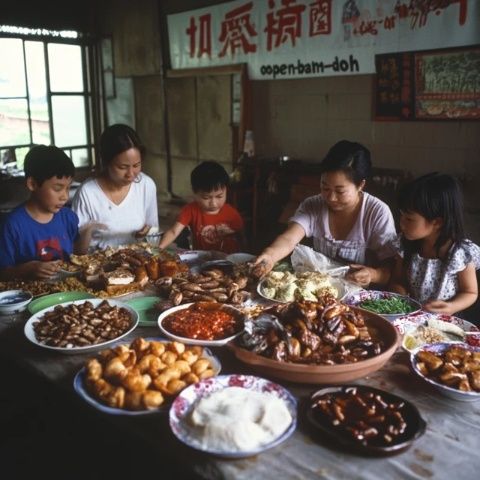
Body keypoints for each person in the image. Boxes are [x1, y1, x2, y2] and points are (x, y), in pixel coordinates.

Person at [254, 140, 397, 287]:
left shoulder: (376, 212)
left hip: (359, 297)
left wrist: (373, 274)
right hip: (320, 290)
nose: (331, 198)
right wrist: (270, 256)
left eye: (340, 191)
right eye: (325, 188)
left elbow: (392, 269)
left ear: (361, 185)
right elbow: (289, 239)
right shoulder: (313, 205)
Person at [388, 173, 480, 315]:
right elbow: (397, 280)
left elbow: (470, 292)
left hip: (444, 321)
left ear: (437, 222)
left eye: (409, 219)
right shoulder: (405, 244)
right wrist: (401, 298)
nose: (401, 222)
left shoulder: (460, 253)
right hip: (409, 315)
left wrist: (451, 307)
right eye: (401, 215)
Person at [0, 146, 90, 280]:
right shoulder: (12, 225)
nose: (65, 196)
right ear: (32, 184)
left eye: (68, 188)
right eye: (58, 188)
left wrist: (87, 232)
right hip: (31, 296)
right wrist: (28, 269)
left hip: (68, 293)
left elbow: (76, 258)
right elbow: (3, 273)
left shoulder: (68, 217)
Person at [71, 124, 158, 249]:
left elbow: (153, 234)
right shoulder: (88, 193)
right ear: (106, 162)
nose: (131, 174)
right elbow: (77, 250)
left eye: (136, 165)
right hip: (96, 264)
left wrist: (146, 233)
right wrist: (87, 232)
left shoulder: (146, 185)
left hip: (135, 262)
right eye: (122, 167)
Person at [158, 161, 244, 253]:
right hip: (202, 259)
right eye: (206, 197)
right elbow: (173, 232)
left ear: (226, 190)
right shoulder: (190, 210)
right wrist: (158, 250)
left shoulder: (231, 214)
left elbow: (241, 237)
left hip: (227, 260)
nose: (214, 203)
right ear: (195, 193)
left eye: (219, 196)